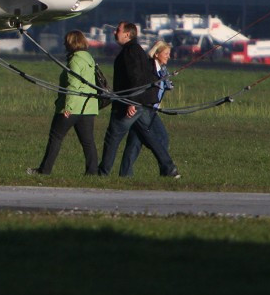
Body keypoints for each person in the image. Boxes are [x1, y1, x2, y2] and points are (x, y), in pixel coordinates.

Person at [98, 22, 181, 178]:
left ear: (127, 34)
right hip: (143, 102)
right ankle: (168, 168)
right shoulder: (137, 51)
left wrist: (132, 102)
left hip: (131, 103)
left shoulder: (130, 52)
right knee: (146, 135)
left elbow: (135, 78)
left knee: (113, 135)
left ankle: (103, 173)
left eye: (118, 30)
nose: (115, 32)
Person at [28, 30, 99, 175]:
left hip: (73, 107)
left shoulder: (75, 60)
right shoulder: (89, 58)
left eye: (66, 42)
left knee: (56, 137)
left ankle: (45, 170)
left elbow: (73, 85)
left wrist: (68, 107)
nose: (64, 44)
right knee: (88, 142)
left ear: (72, 43)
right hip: (88, 107)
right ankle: (92, 172)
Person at [119, 40, 178, 177]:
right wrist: (132, 102)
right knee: (159, 137)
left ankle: (125, 175)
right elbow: (139, 85)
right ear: (157, 54)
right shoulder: (148, 67)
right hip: (144, 108)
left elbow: (165, 85)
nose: (168, 56)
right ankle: (167, 168)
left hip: (152, 109)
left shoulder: (162, 70)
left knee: (135, 142)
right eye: (166, 53)